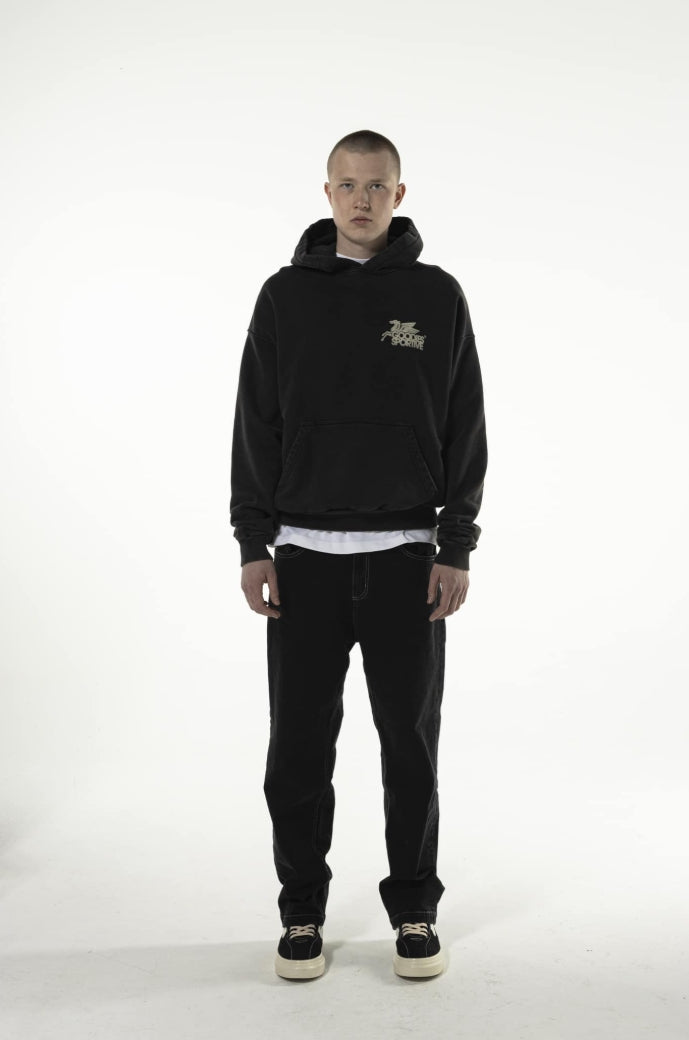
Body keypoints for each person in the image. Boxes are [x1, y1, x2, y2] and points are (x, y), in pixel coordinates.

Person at [229, 129, 488, 981]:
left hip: (408, 560)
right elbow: (255, 422)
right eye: (346, 184)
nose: (361, 199)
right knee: (297, 752)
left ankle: (414, 909)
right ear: (327, 191)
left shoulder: (436, 296)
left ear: (398, 194)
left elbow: (465, 425)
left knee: (409, 749)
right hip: (302, 560)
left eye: (376, 185)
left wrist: (455, 543)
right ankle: (301, 913)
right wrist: (253, 541)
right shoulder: (283, 297)